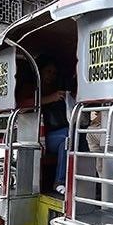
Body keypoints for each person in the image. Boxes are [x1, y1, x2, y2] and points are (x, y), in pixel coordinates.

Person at [39, 57, 69, 195]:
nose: (51, 75)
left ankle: (59, 181)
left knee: (66, 143)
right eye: (48, 71)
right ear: (41, 71)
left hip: (58, 136)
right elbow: (23, 104)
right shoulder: (32, 87)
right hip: (40, 137)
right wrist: (51, 98)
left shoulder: (58, 90)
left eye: (54, 73)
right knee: (69, 133)